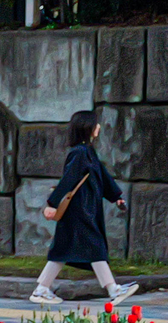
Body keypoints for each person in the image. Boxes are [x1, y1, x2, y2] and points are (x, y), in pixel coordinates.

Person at [31, 111, 135, 306]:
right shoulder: (79, 153)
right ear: (87, 127)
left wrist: (116, 197)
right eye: (96, 124)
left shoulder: (88, 152)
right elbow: (68, 180)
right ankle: (113, 289)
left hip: (86, 210)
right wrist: (52, 204)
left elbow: (102, 177)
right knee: (94, 247)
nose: (99, 127)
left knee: (63, 249)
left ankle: (42, 289)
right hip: (79, 211)